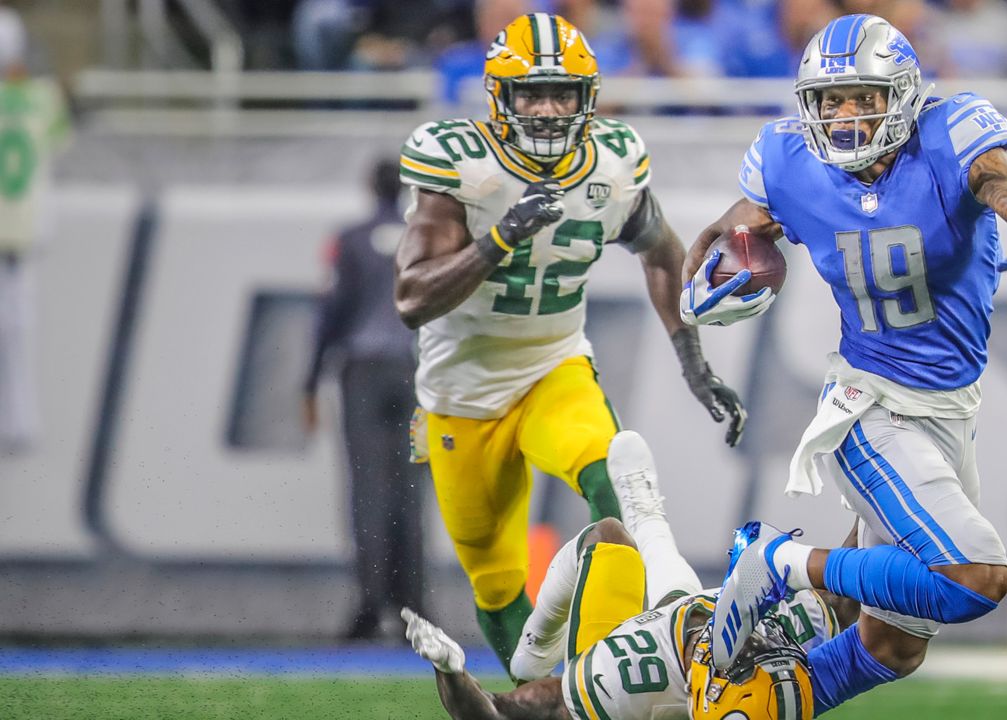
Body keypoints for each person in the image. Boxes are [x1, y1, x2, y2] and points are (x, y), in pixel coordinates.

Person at [680, 12, 1007, 699]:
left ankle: (761, 708)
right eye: (831, 101)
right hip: (873, 406)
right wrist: (708, 283)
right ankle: (777, 561)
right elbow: (724, 236)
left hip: (950, 410)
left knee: (892, 647)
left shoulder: (951, 135)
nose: (846, 116)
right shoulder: (788, 163)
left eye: (864, 98)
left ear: (902, 95)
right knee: (976, 577)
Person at [394, 12, 745, 673]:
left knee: (614, 478)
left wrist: (692, 360)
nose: (550, 110)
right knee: (496, 583)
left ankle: (604, 673)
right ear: (500, 98)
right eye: (532, 94)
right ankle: (542, 692)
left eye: (563, 94)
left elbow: (663, 253)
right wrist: (499, 238)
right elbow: (411, 298)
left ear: (589, 97)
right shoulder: (457, 163)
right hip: (460, 396)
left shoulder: (612, 161)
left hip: (554, 367)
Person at [400, 432, 858, 719]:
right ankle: (537, 647)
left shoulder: (623, 681)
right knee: (614, 537)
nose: (758, 645)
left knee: (610, 537)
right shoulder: (770, 634)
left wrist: (450, 670)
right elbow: (847, 591)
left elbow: (494, 714)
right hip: (665, 639)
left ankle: (647, 523)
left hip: (641, 681)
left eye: (744, 659)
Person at [302, 158, 423, 640]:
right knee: (412, 492)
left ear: (369, 187)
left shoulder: (349, 239)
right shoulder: (423, 239)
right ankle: (416, 605)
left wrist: (309, 382)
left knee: (368, 491)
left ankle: (370, 604)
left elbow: (331, 313)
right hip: (413, 374)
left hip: (363, 374)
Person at [0, 7, 69, 453]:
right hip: (24, 232)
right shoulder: (45, 97)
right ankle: (20, 421)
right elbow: (57, 145)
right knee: (19, 326)